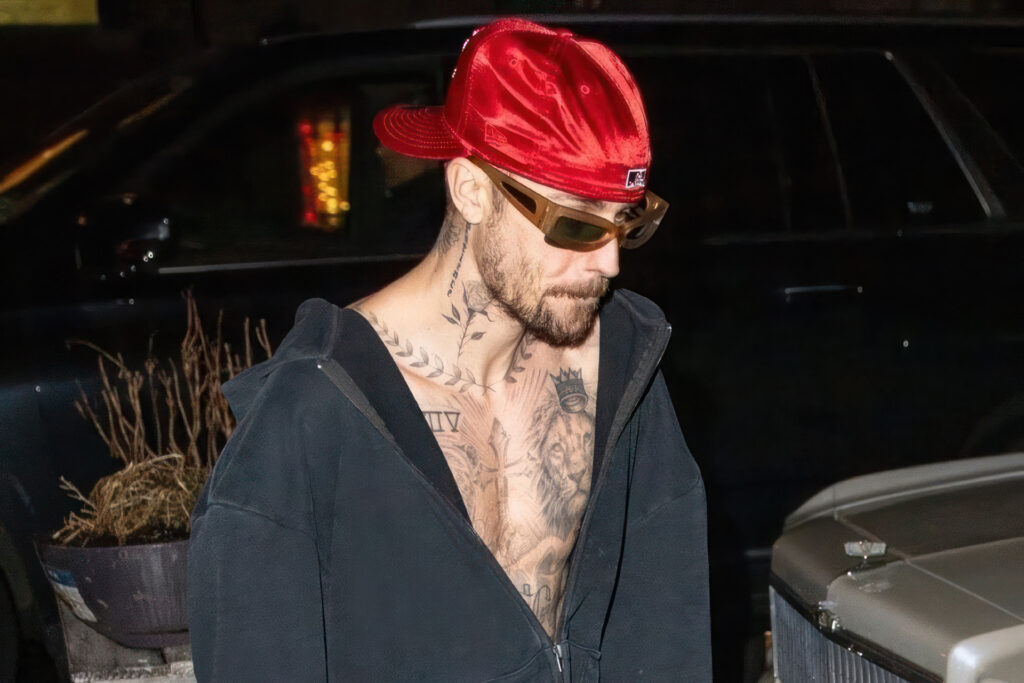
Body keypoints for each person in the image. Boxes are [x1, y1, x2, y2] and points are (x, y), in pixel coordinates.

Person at [188, 17, 711, 682]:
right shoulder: (312, 416)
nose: (609, 263)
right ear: (471, 191)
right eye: (576, 225)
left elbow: (664, 628)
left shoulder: (622, 370)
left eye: (626, 223)